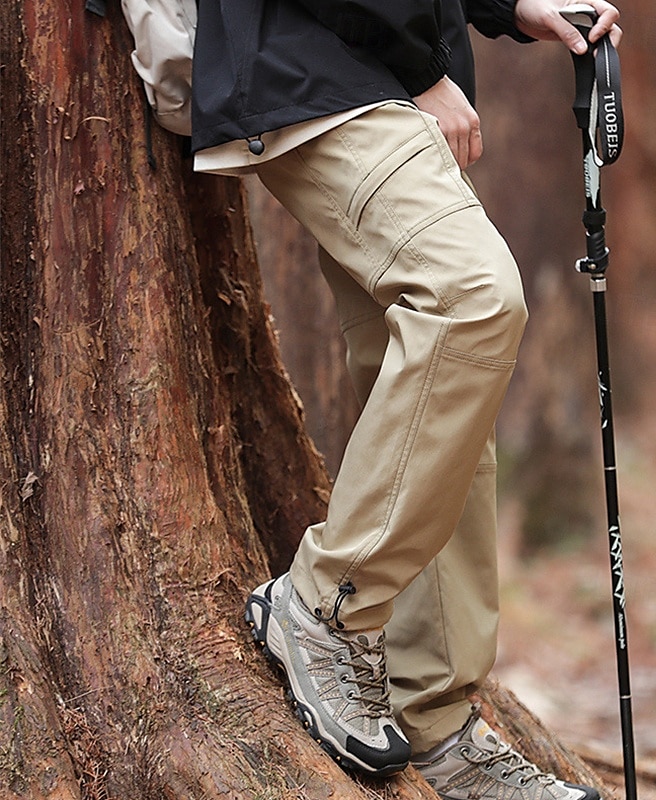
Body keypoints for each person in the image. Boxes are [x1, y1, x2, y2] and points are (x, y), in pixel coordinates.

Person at [191, 1, 621, 797]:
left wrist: (506, 7)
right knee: (472, 302)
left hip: (367, 74)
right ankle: (323, 606)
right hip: (324, 67)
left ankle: (435, 721)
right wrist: (422, 68)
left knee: (442, 390)